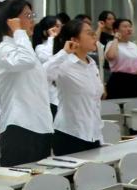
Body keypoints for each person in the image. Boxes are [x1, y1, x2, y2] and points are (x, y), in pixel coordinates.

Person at [0, 0, 53, 166]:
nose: (32, 20)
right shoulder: (4, 49)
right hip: (19, 127)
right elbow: (26, 61)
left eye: (32, 15)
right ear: (11, 21)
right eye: (28, 15)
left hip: (40, 125)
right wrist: (18, 31)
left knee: (42, 179)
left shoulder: (24, 48)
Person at [45, 18, 104, 156]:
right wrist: (64, 53)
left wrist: (99, 136)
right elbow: (41, 76)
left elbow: (95, 103)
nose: (94, 36)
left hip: (93, 134)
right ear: (74, 39)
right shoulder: (64, 63)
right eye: (89, 33)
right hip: (70, 134)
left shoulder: (92, 64)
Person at [104, 18, 137, 99]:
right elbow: (111, 56)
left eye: (130, 26)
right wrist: (116, 39)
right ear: (116, 30)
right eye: (125, 26)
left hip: (135, 80)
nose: (129, 29)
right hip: (118, 80)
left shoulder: (134, 45)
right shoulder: (111, 43)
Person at [33, 15, 62, 118]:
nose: (60, 29)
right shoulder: (40, 48)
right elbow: (51, 58)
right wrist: (52, 38)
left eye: (60, 26)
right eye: (56, 26)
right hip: (51, 96)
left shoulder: (65, 46)